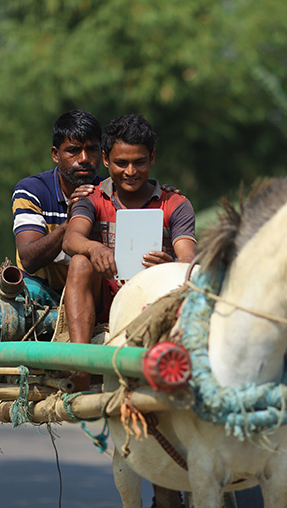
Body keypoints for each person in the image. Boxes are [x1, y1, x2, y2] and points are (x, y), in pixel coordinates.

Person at [62, 113, 197, 356]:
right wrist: (95, 248)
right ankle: (80, 364)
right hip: (103, 300)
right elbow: (71, 239)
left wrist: (171, 267)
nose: (131, 171)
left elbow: (188, 258)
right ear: (105, 160)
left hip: (156, 301)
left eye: (139, 162)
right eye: (121, 163)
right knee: (81, 262)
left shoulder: (176, 203)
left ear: (152, 158)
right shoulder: (91, 198)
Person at [12, 109, 103, 305]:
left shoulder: (110, 192)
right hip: (40, 296)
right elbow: (29, 259)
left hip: (92, 295)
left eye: (92, 149)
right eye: (73, 150)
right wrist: (70, 223)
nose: (84, 158)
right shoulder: (32, 191)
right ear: (56, 155)